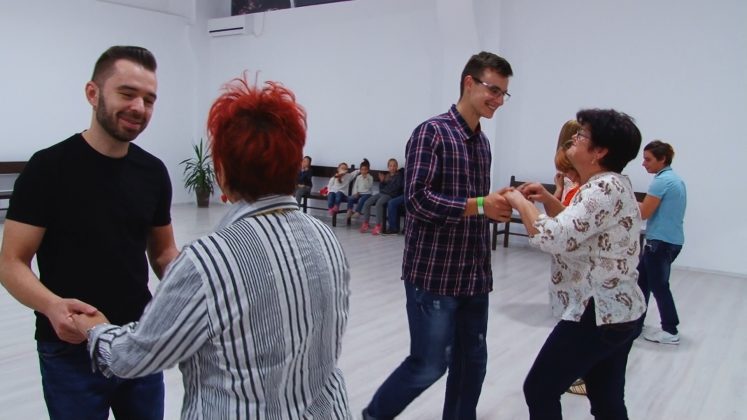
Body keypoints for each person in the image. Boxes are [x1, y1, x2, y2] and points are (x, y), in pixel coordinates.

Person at [70, 76, 352, 419]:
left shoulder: (209, 261)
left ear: (221, 172)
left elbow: (134, 357)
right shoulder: (326, 238)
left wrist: (95, 330)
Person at [0, 46, 179, 419]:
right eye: (127, 93)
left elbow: (163, 253)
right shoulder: (47, 168)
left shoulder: (152, 172)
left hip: (137, 340)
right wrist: (52, 306)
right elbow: (11, 262)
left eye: (149, 100)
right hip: (69, 348)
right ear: (92, 93)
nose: (139, 107)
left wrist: (195, 286)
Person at [362, 51, 514, 420]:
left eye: (503, 93)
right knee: (428, 364)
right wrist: (481, 204)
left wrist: (493, 205)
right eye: (493, 90)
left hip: (473, 274)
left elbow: (471, 204)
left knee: (472, 363)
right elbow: (417, 200)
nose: (498, 100)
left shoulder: (482, 143)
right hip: (434, 276)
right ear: (469, 83)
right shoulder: (431, 133)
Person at [504, 108, 646, 420]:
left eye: (581, 136)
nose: (574, 140)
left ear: (600, 151)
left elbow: (553, 237)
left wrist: (519, 201)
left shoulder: (603, 188)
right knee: (606, 400)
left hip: (598, 311)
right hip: (619, 311)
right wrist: (546, 199)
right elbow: (575, 228)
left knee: (539, 389)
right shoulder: (611, 184)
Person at [637, 140, 686, 345]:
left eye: (648, 159)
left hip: (660, 243)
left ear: (662, 159)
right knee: (642, 283)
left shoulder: (661, 182)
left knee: (658, 286)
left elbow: (644, 213)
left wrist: (623, 201)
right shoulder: (674, 180)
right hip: (669, 241)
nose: (643, 164)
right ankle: (635, 324)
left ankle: (670, 330)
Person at [359, 159, 404, 235]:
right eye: (390, 166)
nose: (392, 167)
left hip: (390, 195)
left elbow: (397, 188)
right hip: (381, 193)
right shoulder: (387, 175)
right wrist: (382, 181)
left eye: (394, 166)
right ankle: (366, 223)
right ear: (388, 167)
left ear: (397, 167)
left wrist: (386, 185)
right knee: (367, 202)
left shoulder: (399, 176)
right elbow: (381, 188)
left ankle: (378, 225)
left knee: (379, 204)